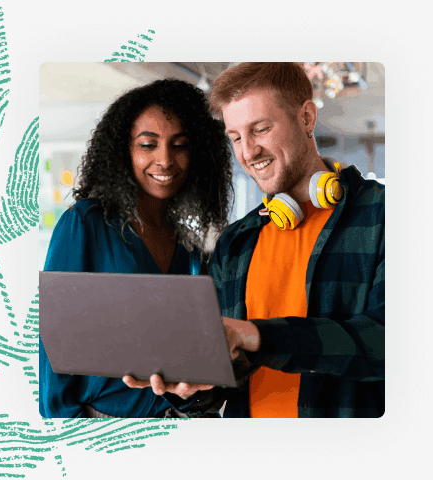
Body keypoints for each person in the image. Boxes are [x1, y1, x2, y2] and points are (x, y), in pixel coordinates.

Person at [124, 62, 384, 418]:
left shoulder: (385, 216)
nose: (247, 152)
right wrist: (189, 385)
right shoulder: (236, 241)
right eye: (235, 138)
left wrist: (255, 336)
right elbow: (221, 371)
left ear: (307, 118)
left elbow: (388, 343)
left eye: (260, 129)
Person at [39, 79, 234, 418]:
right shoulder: (85, 224)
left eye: (180, 145)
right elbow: (52, 349)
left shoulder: (187, 245)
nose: (165, 161)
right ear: (123, 151)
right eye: (148, 145)